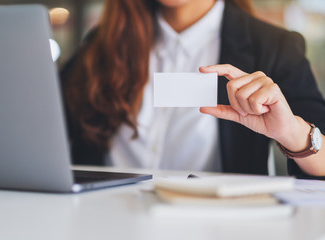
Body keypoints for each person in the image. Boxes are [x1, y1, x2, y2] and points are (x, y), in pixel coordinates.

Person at [60, 0, 325, 179]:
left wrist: (291, 132)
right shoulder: (102, 42)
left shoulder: (272, 46)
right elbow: (48, 124)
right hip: (101, 217)